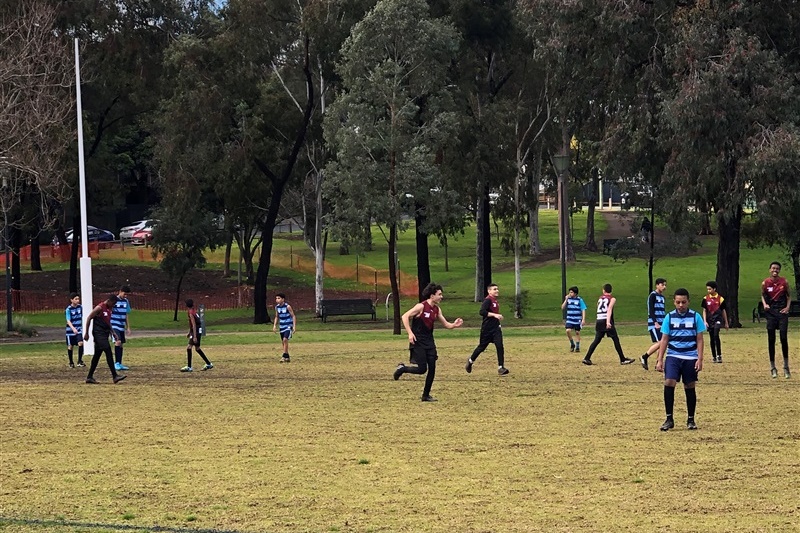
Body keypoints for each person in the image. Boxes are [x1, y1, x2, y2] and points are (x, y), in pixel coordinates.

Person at [393, 282, 463, 401]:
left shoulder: (437, 309)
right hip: (418, 341)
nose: (442, 297)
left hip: (430, 342)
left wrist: (454, 325)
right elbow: (405, 316)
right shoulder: (421, 306)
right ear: (432, 296)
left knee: (432, 368)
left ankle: (425, 395)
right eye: (439, 294)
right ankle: (403, 368)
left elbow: (446, 324)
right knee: (422, 369)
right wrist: (410, 333)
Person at [655, 288, 706, 431]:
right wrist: (660, 359)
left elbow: (700, 339)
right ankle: (669, 418)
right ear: (674, 302)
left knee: (689, 385)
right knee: (669, 382)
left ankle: (691, 419)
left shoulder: (696, 317)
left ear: (688, 302)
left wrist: (700, 359)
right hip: (673, 355)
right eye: (678, 302)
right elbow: (664, 339)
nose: (681, 305)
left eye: (683, 302)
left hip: (690, 356)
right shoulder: (669, 317)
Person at [582, 283, 635, 366]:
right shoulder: (612, 299)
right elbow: (609, 309)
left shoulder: (600, 299)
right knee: (615, 339)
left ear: (603, 290)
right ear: (611, 291)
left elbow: (598, 308)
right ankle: (622, 359)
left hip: (599, 320)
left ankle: (587, 358)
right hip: (606, 320)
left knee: (596, 340)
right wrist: (608, 322)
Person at [465, 283, 509, 375]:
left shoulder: (495, 301)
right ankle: (470, 361)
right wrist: (494, 315)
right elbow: (482, 312)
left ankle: (501, 367)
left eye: (497, 289)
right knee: (481, 347)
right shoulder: (488, 300)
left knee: (499, 346)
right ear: (489, 291)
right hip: (487, 329)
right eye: (494, 289)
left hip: (496, 328)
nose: (497, 290)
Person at [83, 295, 127, 384]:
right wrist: (86, 333)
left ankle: (89, 377)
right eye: (113, 304)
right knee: (108, 351)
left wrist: (113, 333)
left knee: (97, 356)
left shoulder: (109, 309)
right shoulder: (99, 308)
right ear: (110, 301)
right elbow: (89, 318)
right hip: (98, 334)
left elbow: (107, 322)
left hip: (105, 333)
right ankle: (115, 376)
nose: (113, 306)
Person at [761, 261, 791, 379]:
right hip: (771, 313)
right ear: (770, 270)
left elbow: (788, 296)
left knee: (783, 337)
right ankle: (773, 367)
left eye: (777, 269)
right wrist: (765, 304)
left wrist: (787, 307)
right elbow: (763, 295)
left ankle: (786, 366)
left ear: (779, 270)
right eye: (773, 268)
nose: (775, 270)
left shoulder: (784, 282)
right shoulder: (765, 283)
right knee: (771, 339)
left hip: (782, 312)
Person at [640, 278, 667, 370]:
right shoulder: (653, 295)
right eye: (662, 285)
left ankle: (658, 364)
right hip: (655, 323)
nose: (664, 287)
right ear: (657, 285)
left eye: (665, 285)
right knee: (661, 342)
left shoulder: (662, 297)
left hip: (662, 323)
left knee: (663, 344)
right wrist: (655, 322)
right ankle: (644, 356)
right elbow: (651, 310)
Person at [181, 299, 213, 372]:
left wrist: (194, 336)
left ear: (186, 305)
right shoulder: (194, 311)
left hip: (196, 331)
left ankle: (189, 367)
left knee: (189, 347)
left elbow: (194, 324)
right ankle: (208, 363)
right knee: (197, 348)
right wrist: (190, 332)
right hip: (198, 330)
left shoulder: (191, 313)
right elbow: (194, 324)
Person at [701, 281, 728, 364]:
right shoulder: (705, 299)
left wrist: (726, 322)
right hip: (710, 320)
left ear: (714, 289)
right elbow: (704, 310)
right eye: (707, 289)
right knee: (712, 338)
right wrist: (705, 321)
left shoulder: (720, 299)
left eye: (710, 289)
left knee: (716, 335)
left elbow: (723, 311)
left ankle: (719, 355)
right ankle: (714, 356)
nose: (708, 291)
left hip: (718, 319)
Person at [111, 285, 132, 371]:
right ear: (120, 291)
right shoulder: (114, 300)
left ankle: (119, 362)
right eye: (124, 294)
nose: (125, 296)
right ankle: (116, 363)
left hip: (121, 326)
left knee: (121, 344)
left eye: (127, 295)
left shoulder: (126, 301)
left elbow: (126, 314)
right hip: (114, 325)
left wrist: (128, 327)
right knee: (118, 341)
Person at [561, 286, 587, 353]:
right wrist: (566, 300)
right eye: (569, 292)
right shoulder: (568, 299)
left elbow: (583, 309)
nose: (570, 293)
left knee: (577, 332)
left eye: (571, 292)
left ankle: (577, 346)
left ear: (575, 293)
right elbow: (562, 307)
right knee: (568, 330)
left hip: (577, 319)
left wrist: (583, 319)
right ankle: (572, 343)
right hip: (570, 318)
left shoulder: (579, 300)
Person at [273, 293, 296, 363]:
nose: (277, 300)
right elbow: (277, 316)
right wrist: (274, 325)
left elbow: (293, 316)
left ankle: (284, 356)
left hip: (288, 326)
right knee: (283, 342)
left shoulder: (287, 306)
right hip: (281, 326)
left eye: (279, 298)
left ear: (283, 299)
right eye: (276, 298)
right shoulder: (277, 307)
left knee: (285, 339)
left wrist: (294, 326)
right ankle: (287, 356)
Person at [65, 292, 85, 368]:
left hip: (79, 329)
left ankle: (80, 360)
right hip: (70, 331)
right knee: (70, 346)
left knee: (81, 343)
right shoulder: (68, 309)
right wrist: (73, 328)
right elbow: (68, 320)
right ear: (71, 300)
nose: (77, 300)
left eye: (78, 299)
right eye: (76, 299)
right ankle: (71, 362)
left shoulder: (80, 307)